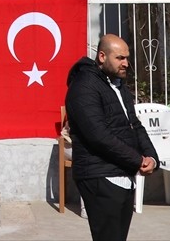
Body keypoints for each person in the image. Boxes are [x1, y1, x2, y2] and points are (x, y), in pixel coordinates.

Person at [65, 34, 160, 241]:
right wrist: (137, 160)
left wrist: (152, 158)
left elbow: (134, 125)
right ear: (101, 56)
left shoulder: (118, 86)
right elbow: (98, 135)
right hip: (99, 175)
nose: (126, 63)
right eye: (120, 58)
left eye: (127, 58)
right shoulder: (84, 87)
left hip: (122, 173)